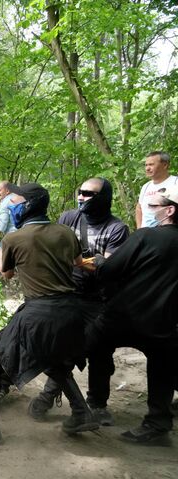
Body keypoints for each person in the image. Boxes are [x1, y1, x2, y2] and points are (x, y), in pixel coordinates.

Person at [0, 183, 100, 444]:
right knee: (52, 359)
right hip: (71, 311)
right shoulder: (65, 232)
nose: (10, 205)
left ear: (27, 205)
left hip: (40, 312)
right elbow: (78, 263)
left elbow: (7, 273)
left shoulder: (15, 238)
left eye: (15, 201)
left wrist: (2, 253)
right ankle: (81, 412)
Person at [27, 178, 129, 426]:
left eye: (88, 193)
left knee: (99, 352)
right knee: (61, 347)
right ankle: (49, 395)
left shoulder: (117, 229)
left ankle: (97, 404)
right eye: (79, 192)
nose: (81, 197)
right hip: (66, 293)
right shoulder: (68, 218)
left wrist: (84, 261)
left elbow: (109, 267)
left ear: (103, 197)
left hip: (99, 300)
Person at [92, 186, 178, 443]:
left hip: (125, 314)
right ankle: (157, 425)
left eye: (152, 207)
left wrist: (98, 263)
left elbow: (109, 271)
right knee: (163, 363)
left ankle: (95, 406)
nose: (145, 211)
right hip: (165, 320)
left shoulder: (146, 236)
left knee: (95, 344)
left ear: (169, 210)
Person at [136, 151, 178, 228]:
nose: (147, 168)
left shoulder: (175, 183)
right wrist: (139, 229)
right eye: (146, 165)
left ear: (165, 165)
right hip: (146, 235)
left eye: (151, 164)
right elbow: (139, 208)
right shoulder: (146, 186)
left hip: (169, 235)